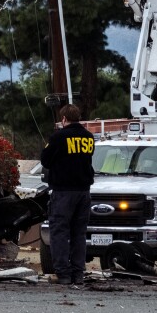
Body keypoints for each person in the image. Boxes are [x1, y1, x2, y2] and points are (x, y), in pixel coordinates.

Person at [40, 104, 95, 285]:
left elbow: (45, 160)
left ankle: (63, 273)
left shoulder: (59, 137)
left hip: (63, 192)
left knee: (60, 232)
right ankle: (78, 273)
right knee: (79, 233)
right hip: (84, 192)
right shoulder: (89, 137)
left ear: (64, 119)